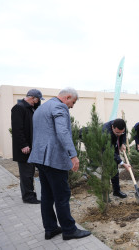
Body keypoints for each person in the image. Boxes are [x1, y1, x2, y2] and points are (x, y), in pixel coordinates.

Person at [28, 88, 91, 240]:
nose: (72, 106)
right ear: (67, 97)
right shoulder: (59, 106)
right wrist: (73, 155)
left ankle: (50, 229)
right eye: (73, 102)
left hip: (40, 158)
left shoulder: (42, 108)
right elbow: (62, 132)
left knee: (47, 195)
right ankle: (69, 230)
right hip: (53, 159)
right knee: (62, 195)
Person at [11, 89, 44, 204]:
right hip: (24, 149)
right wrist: (23, 145)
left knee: (29, 173)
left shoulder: (29, 109)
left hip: (31, 147)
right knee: (26, 174)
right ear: (32, 97)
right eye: (37, 100)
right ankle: (28, 197)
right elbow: (17, 129)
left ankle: (30, 194)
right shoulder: (18, 108)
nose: (37, 103)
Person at [102, 118, 132, 198]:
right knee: (106, 172)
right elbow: (110, 151)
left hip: (114, 145)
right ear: (112, 127)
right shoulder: (106, 131)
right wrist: (122, 163)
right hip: (104, 148)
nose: (119, 134)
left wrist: (123, 143)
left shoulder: (122, 126)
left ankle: (116, 191)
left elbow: (124, 134)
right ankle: (105, 196)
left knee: (115, 171)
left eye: (121, 132)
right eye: (117, 132)